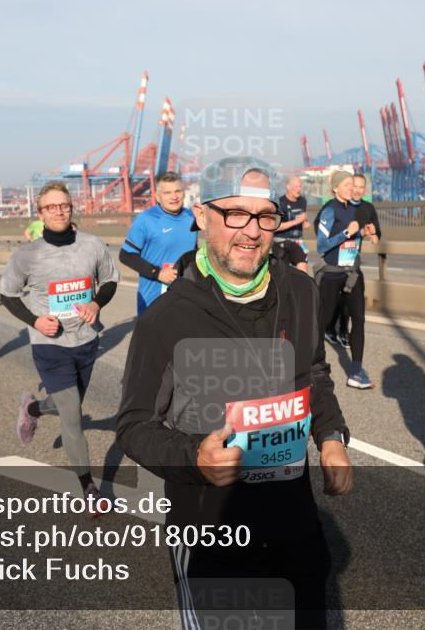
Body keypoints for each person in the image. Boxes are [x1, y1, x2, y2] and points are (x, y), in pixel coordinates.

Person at [117, 157, 353, 630]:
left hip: (293, 520)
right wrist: (193, 456)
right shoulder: (166, 318)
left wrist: (330, 437)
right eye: (235, 214)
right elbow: (134, 424)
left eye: (264, 216)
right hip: (209, 529)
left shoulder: (301, 292)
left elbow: (313, 372)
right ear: (201, 216)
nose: (252, 231)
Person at [2, 181, 120, 507]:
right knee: (72, 414)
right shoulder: (27, 255)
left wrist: (96, 303)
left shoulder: (92, 245)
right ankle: (89, 489)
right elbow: (7, 294)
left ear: (71, 208)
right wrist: (35, 321)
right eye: (51, 207)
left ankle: (32, 408)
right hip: (49, 343)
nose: (58, 211)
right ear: (40, 213)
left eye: (64, 206)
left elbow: (110, 280)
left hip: (86, 339)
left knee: (68, 404)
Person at [315, 170, 374, 389]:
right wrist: (346, 234)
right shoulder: (329, 210)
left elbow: (352, 239)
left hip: (352, 273)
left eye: (353, 184)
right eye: (347, 184)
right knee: (322, 321)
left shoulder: (354, 210)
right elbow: (322, 246)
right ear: (336, 188)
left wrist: (362, 233)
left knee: (359, 319)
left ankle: (356, 371)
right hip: (332, 274)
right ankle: (311, 365)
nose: (352, 188)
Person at [119, 171, 197, 314]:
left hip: (185, 296)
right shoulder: (146, 219)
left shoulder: (191, 217)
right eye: (167, 193)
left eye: (177, 191)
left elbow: (193, 252)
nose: (174, 197)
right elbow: (126, 255)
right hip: (153, 298)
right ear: (157, 196)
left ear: (183, 193)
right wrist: (158, 273)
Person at [331, 172, 381, 348]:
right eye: (355, 186)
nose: (358, 190)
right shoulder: (339, 205)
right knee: (336, 299)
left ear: (365, 190)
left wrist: (372, 234)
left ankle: (343, 332)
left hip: (352, 257)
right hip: (334, 255)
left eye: (361, 187)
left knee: (350, 297)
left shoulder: (368, 208)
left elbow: (376, 238)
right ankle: (331, 327)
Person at [274, 175, 309, 254]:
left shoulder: (302, 200)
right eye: (296, 186)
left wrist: (305, 222)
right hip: (281, 239)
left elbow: (303, 217)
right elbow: (276, 227)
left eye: (300, 186)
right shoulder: (280, 203)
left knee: (304, 259)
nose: (299, 189)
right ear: (288, 187)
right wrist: (296, 222)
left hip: (298, 239)